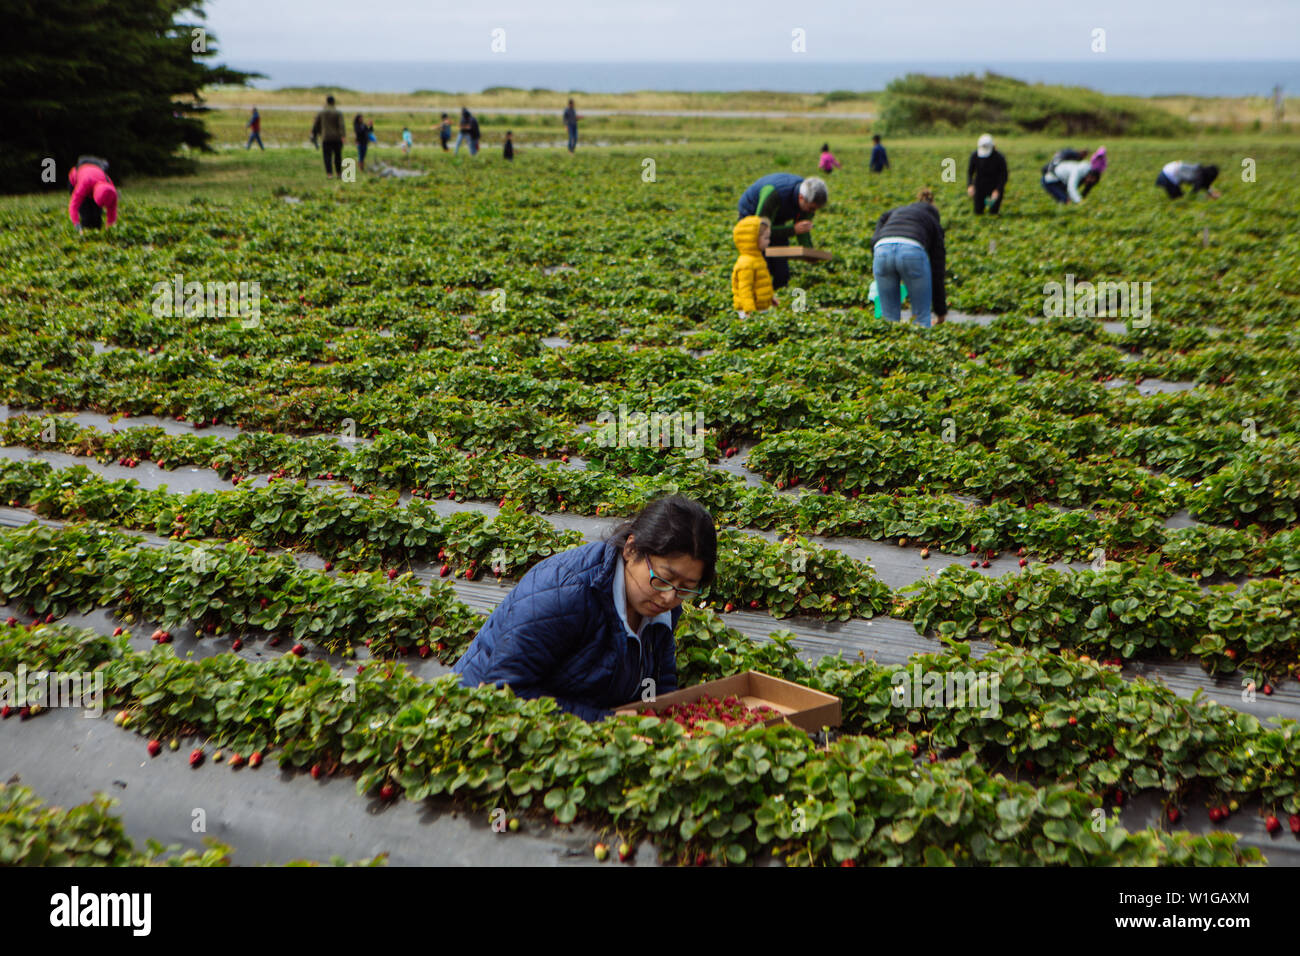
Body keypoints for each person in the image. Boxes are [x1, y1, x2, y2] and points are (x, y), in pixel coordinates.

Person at [453, 496, 718, 722]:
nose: (670, 596)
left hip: (580, 720)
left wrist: (657, 715)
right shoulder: (564, 592)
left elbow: (657, 679)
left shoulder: (663, 603)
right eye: (663, 578)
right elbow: (503, 691)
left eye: (686, 587)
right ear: (631, 548)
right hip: (481, 718)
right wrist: (605, 722)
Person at [870, 187, 947, 329]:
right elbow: (937, 271)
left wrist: (875, 248)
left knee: (888, 320)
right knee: (921, 317)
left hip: (882, 249)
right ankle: (919, 346)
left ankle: (891, 345)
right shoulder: (933, 222)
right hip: (912, 250)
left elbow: (882, 217)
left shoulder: (898, 211)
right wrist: (940, 311)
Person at [736, 173, 828, 291]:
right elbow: (759, 231)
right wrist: (792, 230)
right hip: (753, 215)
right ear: (801, 198)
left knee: (782, 271)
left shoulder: (808, 200)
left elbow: (803, 229)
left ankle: (779, 296)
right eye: (811, 208)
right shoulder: (773, 194)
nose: (813, 212)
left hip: (777, 217)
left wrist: (809, 252)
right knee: (762, 264)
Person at [732, 216, 776, 316]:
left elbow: (761, 284)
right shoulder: (746, 263)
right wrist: (750, 311)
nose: (768, 241)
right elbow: (745, 290)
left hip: (760, 308)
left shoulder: (757, 258)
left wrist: (769, 298)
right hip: (749, 312)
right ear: (753, 239)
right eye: (765, 238)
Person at [67, 156, 118, 231]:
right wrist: (77, 225)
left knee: (97, 217)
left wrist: (110, 229)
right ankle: (85, 234)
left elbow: (112, 213)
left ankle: (96, 231)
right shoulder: (84, 184)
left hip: (93, 182)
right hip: (76, 181)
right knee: (86, 215)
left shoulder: (111, 190)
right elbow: (73, 206)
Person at [966, 133, 1008, 215]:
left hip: (994, 186)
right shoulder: (975, 156)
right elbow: (970, 172)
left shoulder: (999, 158)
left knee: (993, 212)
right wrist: (970, 185)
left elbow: (1004, 175)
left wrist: (998, 190)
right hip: (980, 185)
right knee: (978, 211)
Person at [310, 95, 346, 179]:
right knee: (338, 156)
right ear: (334, 102)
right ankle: (339, 173)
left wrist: (316, 133)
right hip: (337, 138)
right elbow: (342, 125)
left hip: (326, 137)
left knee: (327, 156)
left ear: (327, 102)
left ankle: (329, 174)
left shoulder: (322, 112)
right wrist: (343, 136)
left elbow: (316, 124)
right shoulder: (338, 112)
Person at [1156, 160, 1221, 200]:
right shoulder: (1199, 176)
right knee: (1178, 198)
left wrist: (1211, 192)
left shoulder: (1200, 171)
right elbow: (1195, 191)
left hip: (1169, 170)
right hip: (1167, 176)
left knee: (1179, 197)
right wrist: (1209, 195)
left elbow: (1204, 185)